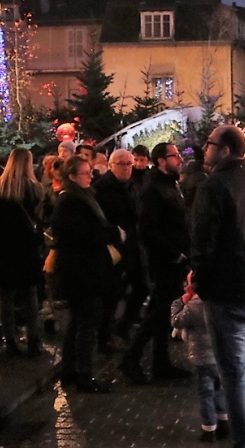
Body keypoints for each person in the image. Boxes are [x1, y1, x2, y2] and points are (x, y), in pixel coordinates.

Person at [190, 125, 245, 448]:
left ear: (225, 150)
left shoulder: (214, 186)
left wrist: (200, 282)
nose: (204, 148)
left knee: (234, 372)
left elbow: (203, 241)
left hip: (229, 292)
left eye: (210, 143)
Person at [51, 154, 122, 393]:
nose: (90, 176)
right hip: (82, 273)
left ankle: (71, 370)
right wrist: (114, 234)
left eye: (90, 171)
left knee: (79, 322)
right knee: (87, 324)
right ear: (72, 177)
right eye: (85, 172)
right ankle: (85, 374)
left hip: (85, 271)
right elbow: (86, 236)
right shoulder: (71, 201)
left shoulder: (81, 198)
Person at [123, 142, 191, 383]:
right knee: (161, 310)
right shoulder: (153, 188)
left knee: (162, 312)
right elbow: (148, 229)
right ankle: (131, 358)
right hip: (164, 260)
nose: (180, 160)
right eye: (175, 156)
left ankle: (160, 363)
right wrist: (174, 253)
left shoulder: (169, 184)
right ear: (161, 160)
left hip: (174, 258)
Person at [0, 147, 45, 357]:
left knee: (6, 297)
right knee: (30, 295)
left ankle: (10, 341)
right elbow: (39, 220)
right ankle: (34, 340)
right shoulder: (35, 189)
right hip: (26, 248)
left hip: (4, 249)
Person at [95, 148, 146, 356]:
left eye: (129, 164)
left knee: (142, 287)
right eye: (122, 164)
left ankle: (123, 327)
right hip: (114, 249)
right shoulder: (102, 188)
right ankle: (104, 337)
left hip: (133, 246)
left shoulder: (133, 185)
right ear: (111, 165)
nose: (127, 168)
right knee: (111, 295)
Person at [172, 272, 231, 442]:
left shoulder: (194, 305)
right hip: (220, 357)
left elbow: (177, 321)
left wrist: (179, 302)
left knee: (206, 394)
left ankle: (208, 429)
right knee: (220, 389)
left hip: (201, 359)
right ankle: (223, 421)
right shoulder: (223, 302)